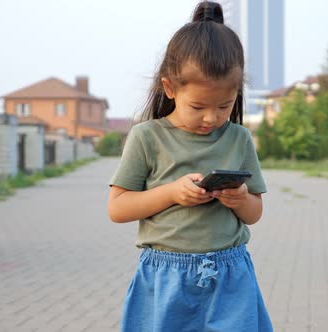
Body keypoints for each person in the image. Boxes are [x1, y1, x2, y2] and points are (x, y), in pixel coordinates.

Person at [107, 1, 272, 331]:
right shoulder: (147, 137)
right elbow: (118, 208)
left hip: (230, 274)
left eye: (224, 106)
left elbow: (254, 212)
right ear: (170, 88)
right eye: (197, 106)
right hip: (166, 275)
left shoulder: (239, 138)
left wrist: (239, 199)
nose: (211, 118)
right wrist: (171, 192)